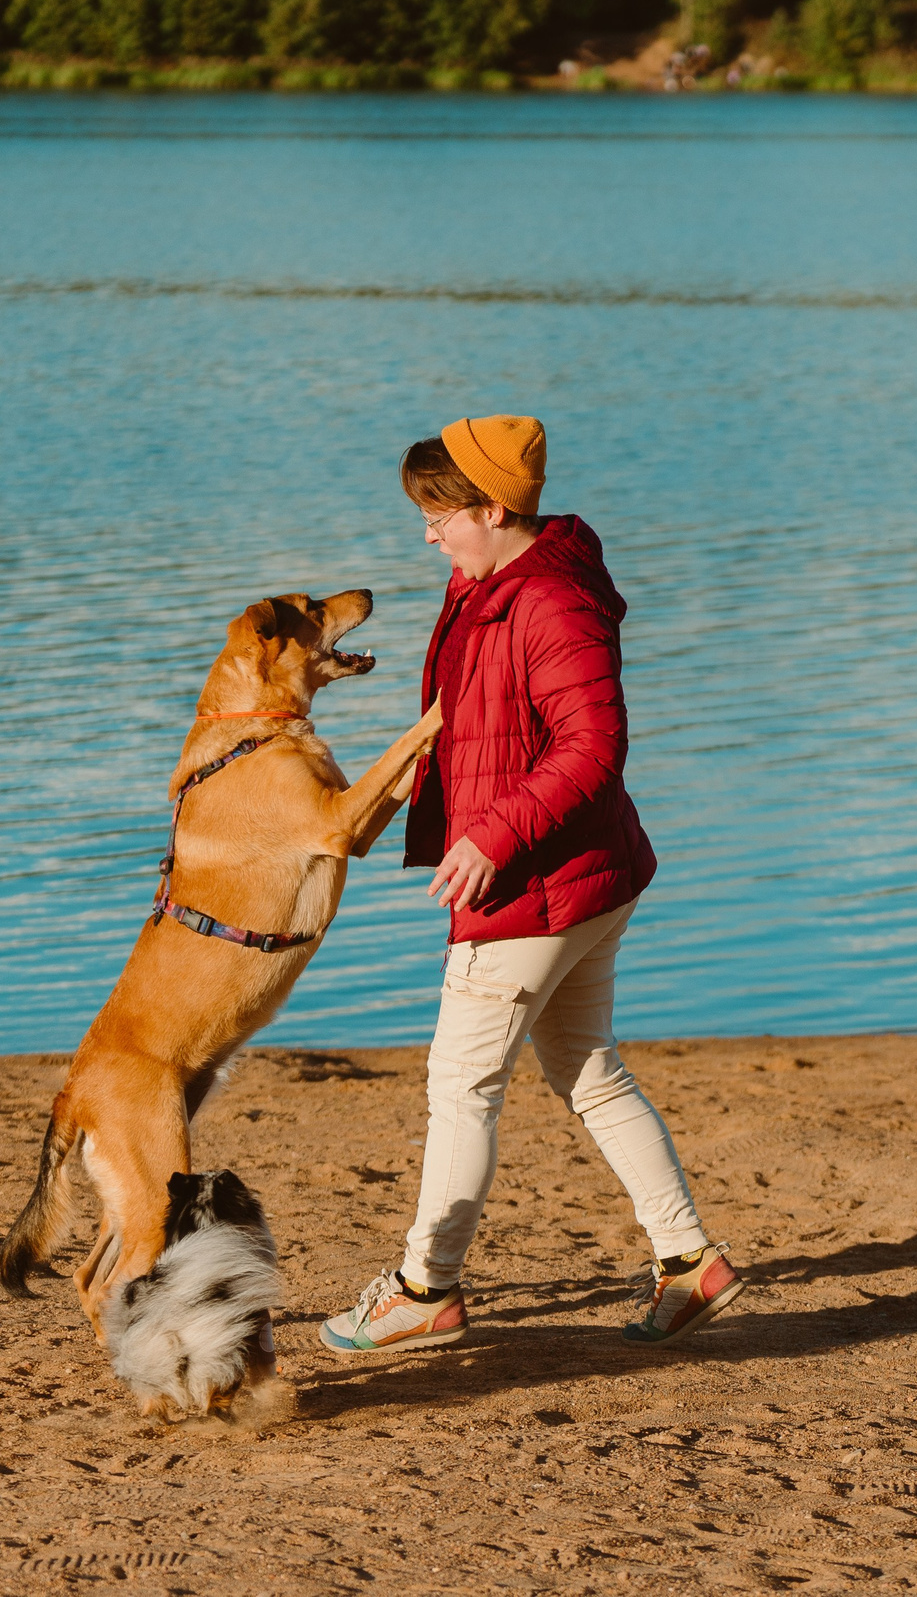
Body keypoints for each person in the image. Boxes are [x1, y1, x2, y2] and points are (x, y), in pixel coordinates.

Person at [321, 415, 744, 1354]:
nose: (427, 531)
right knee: (586, 1068)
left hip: (537, 883)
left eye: (439, 512)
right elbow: (459, 724)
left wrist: (491, 837)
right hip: (583, 874)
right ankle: (690, 1262)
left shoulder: (548, 601)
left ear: (494, 507)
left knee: (460, 1082)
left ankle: (426, 1287)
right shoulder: (490, 587)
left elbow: (593, 746)